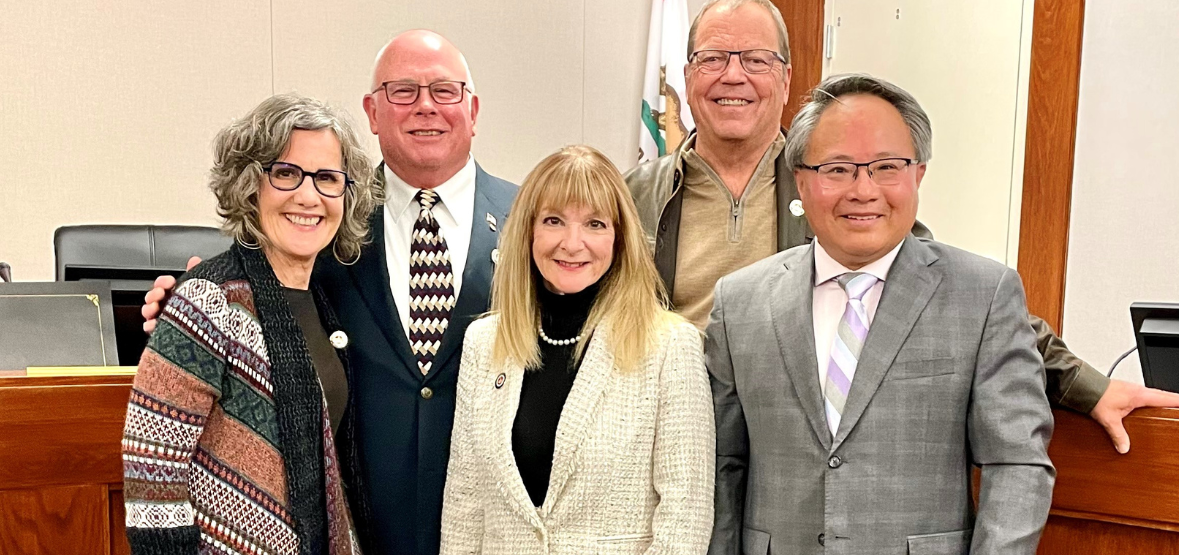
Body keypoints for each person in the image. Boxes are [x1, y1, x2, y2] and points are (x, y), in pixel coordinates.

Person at [624, 0, 1179, 454]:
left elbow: (954, 297)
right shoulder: (635, 196)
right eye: (713, 58)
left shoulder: (836, 185)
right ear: (687, 76)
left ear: (786, 76)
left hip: (789, 451)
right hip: (666, 447)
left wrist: (1086, 386)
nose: (733, 76)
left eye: (755, 60)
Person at [141, 30, 519, 555]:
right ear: (372, 111)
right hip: (363, 525)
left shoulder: (532, 224)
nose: (426, 107)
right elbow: (247, 293)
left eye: (445, 91)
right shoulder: (330, 229)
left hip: (485, 530)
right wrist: (183, 301)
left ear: (473, 109)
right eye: (403, 91)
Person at [707, 73, 1055, 554]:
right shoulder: (738, 303)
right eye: (838, 169)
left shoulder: (984, 295)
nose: (863, 190)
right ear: (802, 181)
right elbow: (724, 466)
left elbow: (1017, 463)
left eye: (887, 167)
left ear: (919, 174)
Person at [122, 94, 380, 554]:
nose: (308, 196)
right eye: (285, 174)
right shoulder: (210, 299)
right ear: (249, 185)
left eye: (327, 178)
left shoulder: (326, 301)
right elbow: (152, 469)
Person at [440, 146, 714, 554]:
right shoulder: (485, 342)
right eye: (553, 221)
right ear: (529, 231)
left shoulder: (670, 346)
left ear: (620, 238)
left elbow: (685, 516)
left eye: (594, 223)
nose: (573, 243)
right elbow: (465, 500)